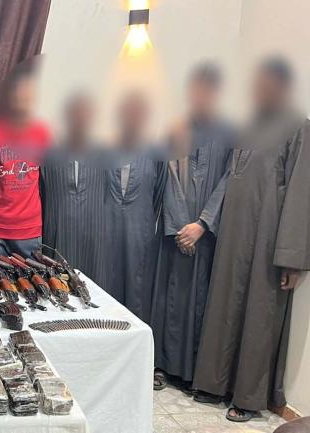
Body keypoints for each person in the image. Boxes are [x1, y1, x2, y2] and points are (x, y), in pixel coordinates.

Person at [192, 58, 310, 423]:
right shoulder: (248, 126)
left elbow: (301, 193)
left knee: (260, 315)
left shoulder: (299, 128)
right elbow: (231, 178)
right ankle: (214, 383)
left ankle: (248, 396)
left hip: (268, 239)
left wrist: (291, 257)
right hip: (234, 234)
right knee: (224, 306)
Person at [150, 64, 234, 391]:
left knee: (199, 302)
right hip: (174, 234)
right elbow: (168, 177)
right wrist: (180, 228)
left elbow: (228, 180)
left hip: (206, 235)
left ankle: (190, 373)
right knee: (167, 298)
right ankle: (161, 365)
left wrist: (202, 224)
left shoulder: (229, 133)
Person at [106, 91, 167, 322]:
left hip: (140, 230)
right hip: (107, 231)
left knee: (137, 291)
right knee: (106, 287)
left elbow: (159, 191)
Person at [40, 92, 112, 289]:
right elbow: (42, 193)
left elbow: (110, 194)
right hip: (58, 236)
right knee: (59, 292)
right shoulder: (49, 151)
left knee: (94, 294)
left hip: (94, 240)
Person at [0, 71, 51, 258]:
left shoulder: (42, 133)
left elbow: (46, 183)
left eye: (26, 95)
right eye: (17, 94)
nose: (22, 100)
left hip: (30, 230)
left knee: (32, 277)